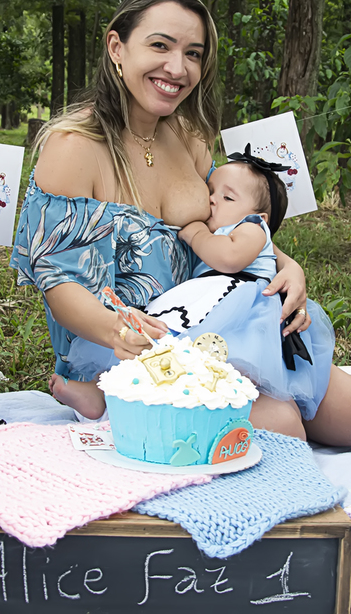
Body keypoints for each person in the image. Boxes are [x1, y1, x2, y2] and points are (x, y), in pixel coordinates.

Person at [10, 0, 351, 445]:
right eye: (160, 46)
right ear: (117, 47)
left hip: (218, 320)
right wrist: (119, 331)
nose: (177, 68)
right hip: (129, 344)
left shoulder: (188, 136)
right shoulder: (74, 147)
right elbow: (59, 284)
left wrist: (289, 266)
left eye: (193, 53)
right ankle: (110, 408)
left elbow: (228, 221)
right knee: (284, 425)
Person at [62, 145, 334, 423]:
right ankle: (100, 389)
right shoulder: (223, 229)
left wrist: (195, 234)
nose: (212, 201)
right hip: (206, 306)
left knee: (216, 366)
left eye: (227, 197)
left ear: (261, 217)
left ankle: (237, 406)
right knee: (154, 345)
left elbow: (229, 258)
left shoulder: (251, 228)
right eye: (210, 192)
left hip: (241, 313)